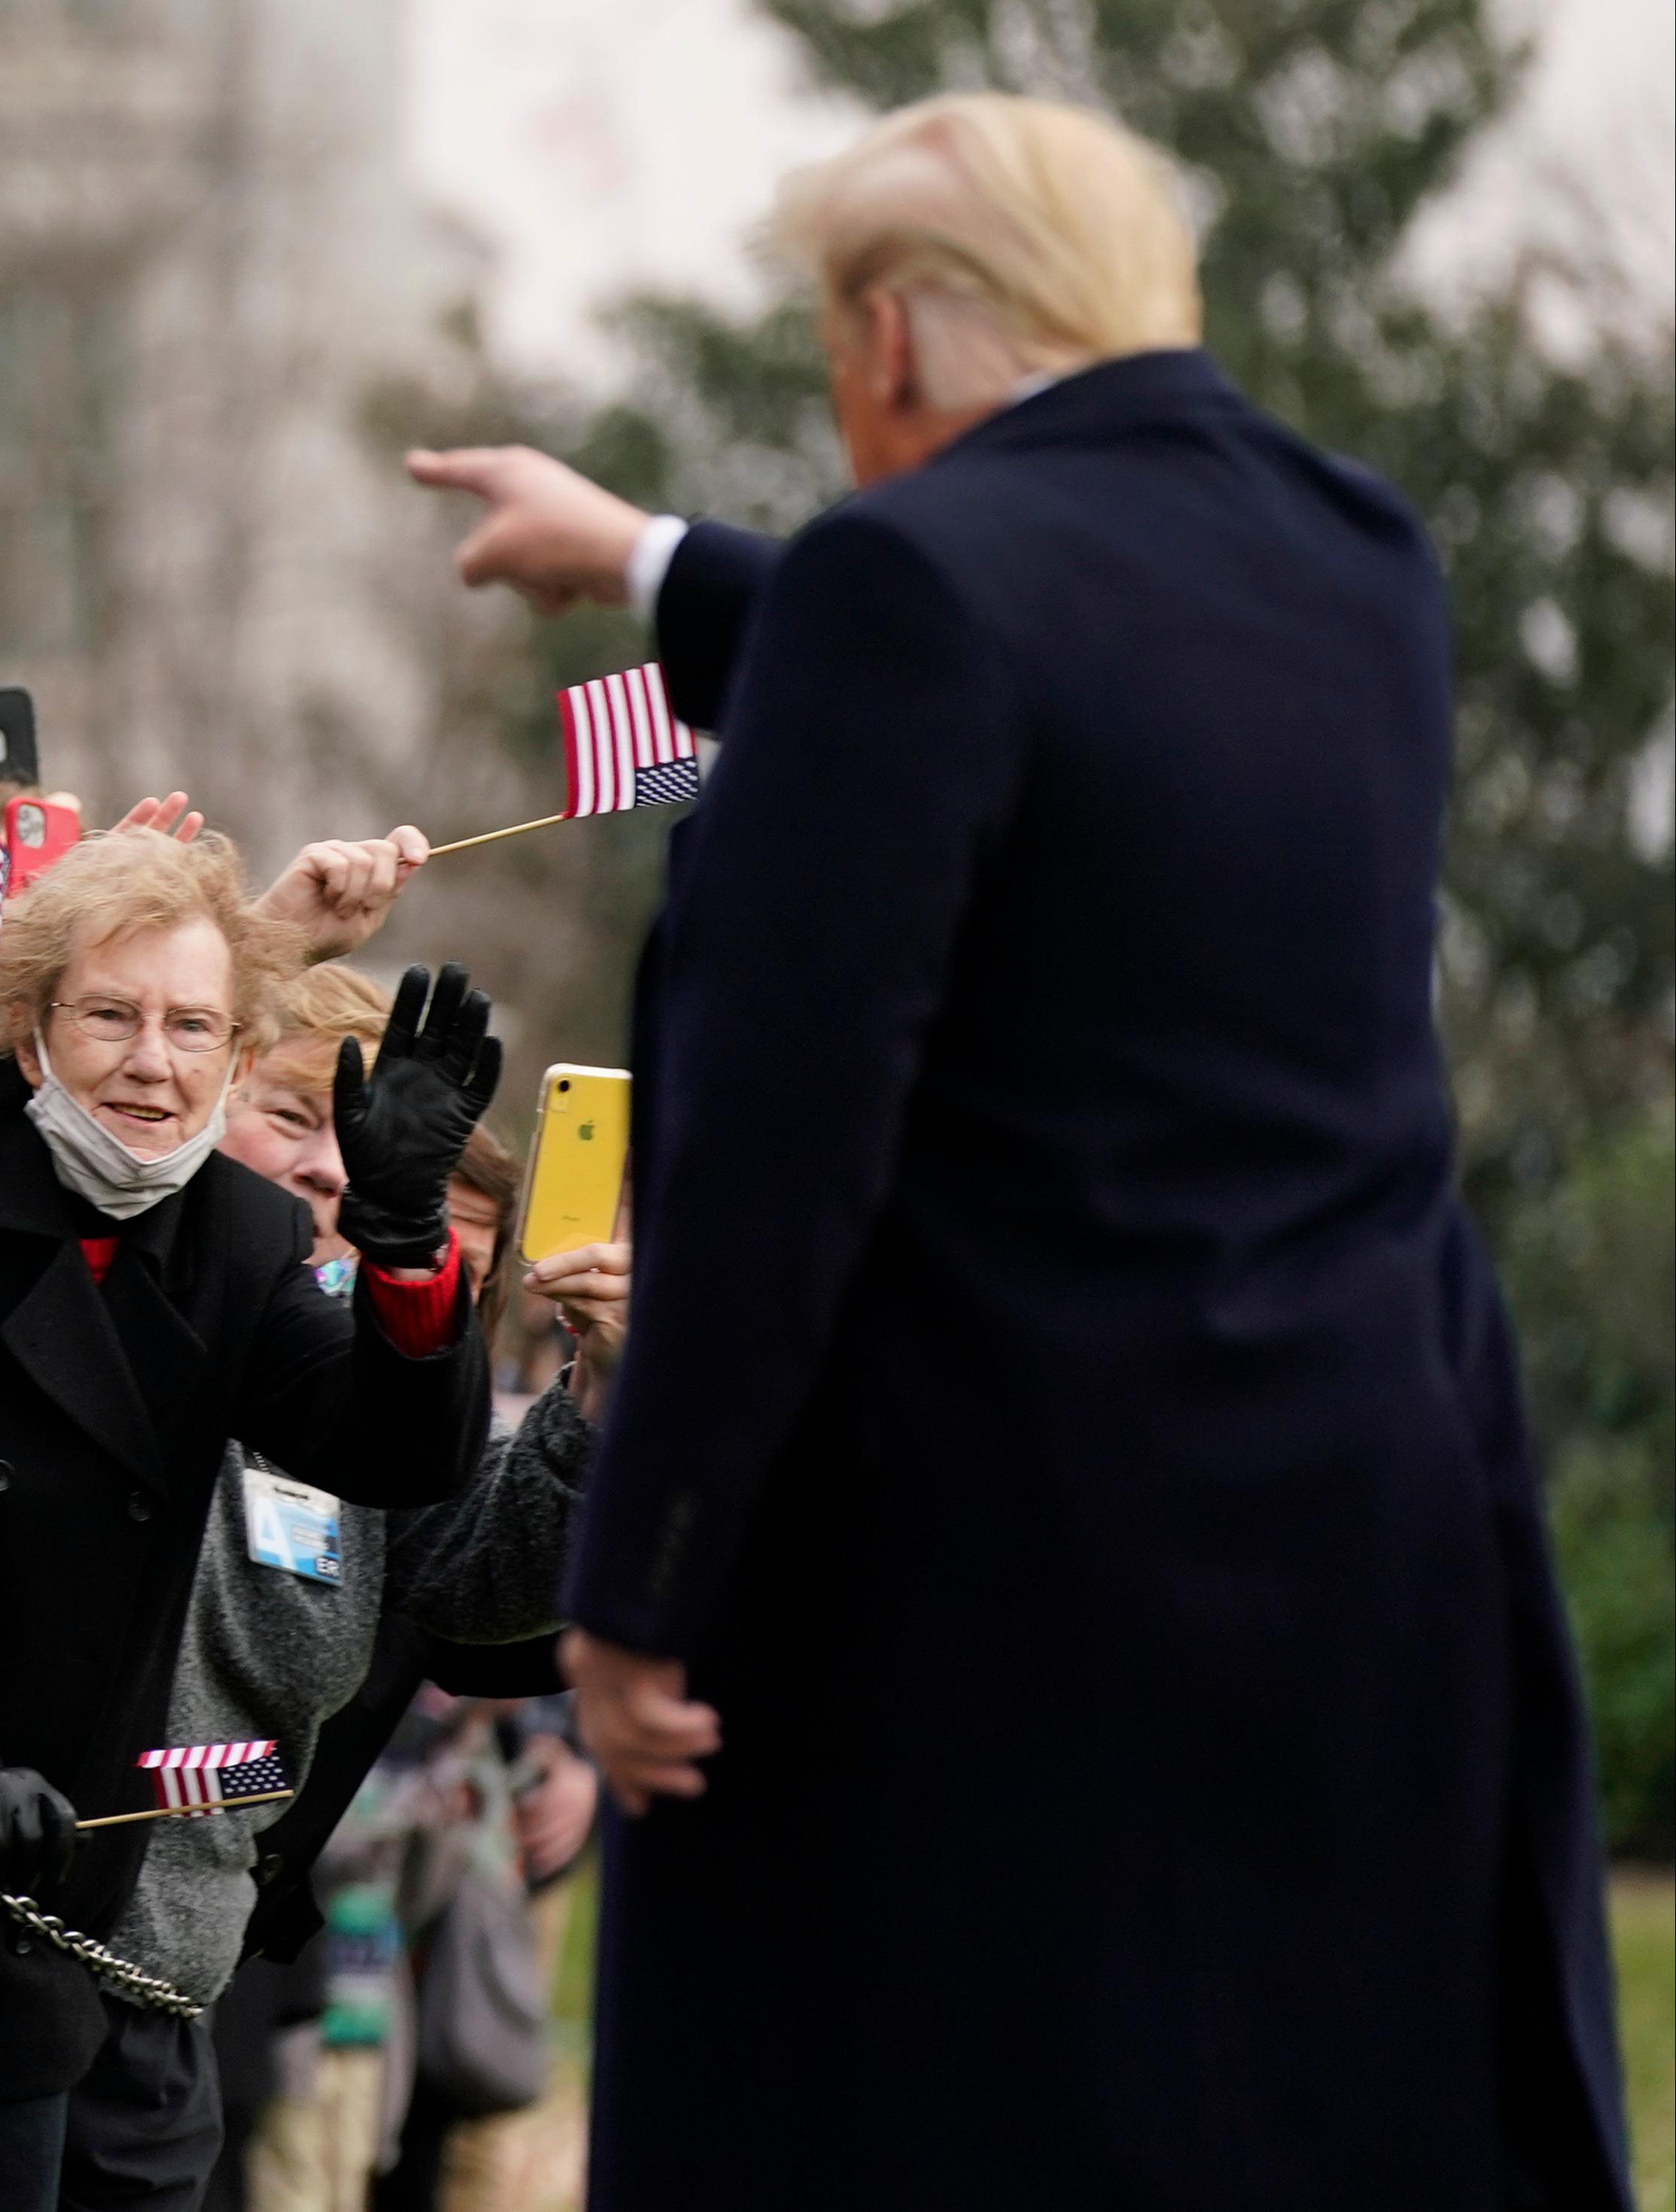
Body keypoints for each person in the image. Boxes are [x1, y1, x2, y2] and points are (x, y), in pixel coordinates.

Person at [414, 95, 1628, 2204]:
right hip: (1362, 1528)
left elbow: (775, 1155)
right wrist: (637, 555)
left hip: (992, 1586)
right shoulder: (1347, 549)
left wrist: (640, 1569)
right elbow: (1046, 650)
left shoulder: (907, 583)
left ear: (884, 338)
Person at [0, 831, 496, 2212]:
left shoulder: (238, 1230)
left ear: (238, 1050)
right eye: (112, 1016)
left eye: (194, 1024)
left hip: (68, 1877)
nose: (154, 1060)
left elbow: (390, 1450)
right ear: (25, 1033)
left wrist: (407, 1236)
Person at [66, 967, 623, 2210]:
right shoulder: (80, 1278)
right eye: (299, 1116)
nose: (334, 1171)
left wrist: (598, 1392)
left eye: (374, 1151)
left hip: (195, 1968)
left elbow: (483, 1585)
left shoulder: (382, 1405)